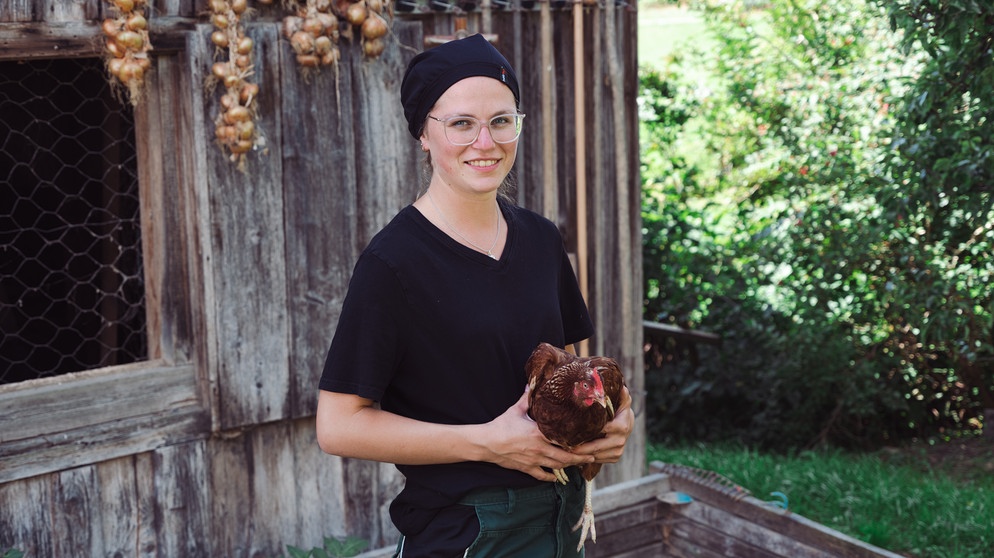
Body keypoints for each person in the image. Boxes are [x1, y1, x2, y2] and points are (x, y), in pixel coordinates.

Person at [315, 33, 634, 558]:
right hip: (468, 530)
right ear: (424, 134)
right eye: (462, 123)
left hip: (563, 519)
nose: (485, 143)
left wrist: (618, 417)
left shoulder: (540, 238)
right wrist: (486, 442)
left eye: (502, 121)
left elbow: (578, 369)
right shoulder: (394, 263)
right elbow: (338, 426)